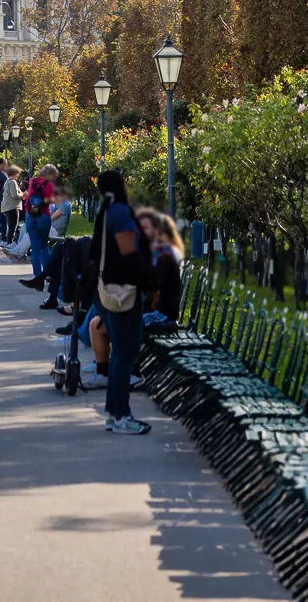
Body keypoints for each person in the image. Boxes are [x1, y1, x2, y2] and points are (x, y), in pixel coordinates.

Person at [92, 168, 151, 435]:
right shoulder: (119, 213)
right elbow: (129, 253)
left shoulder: (105, 211)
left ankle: (114, 414)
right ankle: (122, 416)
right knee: (125, 353)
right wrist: (150, 284)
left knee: (119, 354)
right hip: (124, 292)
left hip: (108, 290)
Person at [137, 209, 185, 328]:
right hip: (153, 309)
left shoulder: (163, 253)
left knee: (120, 323)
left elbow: (151, 284)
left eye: (145, 228)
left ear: (156, 230)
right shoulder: (151, 252)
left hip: (163, 314)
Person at [23, 165, 57, 278]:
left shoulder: (32, 181)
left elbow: (28, 199)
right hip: (43, 216)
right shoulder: (50, 185)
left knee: (34, 248)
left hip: (30, 216)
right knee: (44, 245)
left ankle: (37, 276)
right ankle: (47, 273)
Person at [0, 165, 23, 245]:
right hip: (12, 207)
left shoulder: (7, 182)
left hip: (6, 207)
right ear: (14, 173)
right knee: (13, 227)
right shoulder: (12, 182)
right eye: (17, 173)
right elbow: (15, 195)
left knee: (10, 226)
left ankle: (8, 242)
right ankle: (10, 243)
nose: (18, 175)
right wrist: (23, 195)